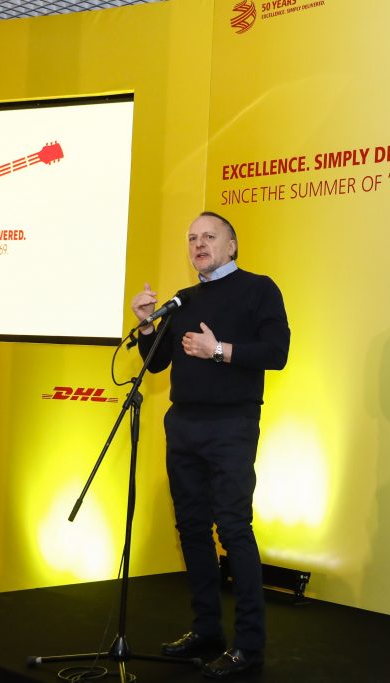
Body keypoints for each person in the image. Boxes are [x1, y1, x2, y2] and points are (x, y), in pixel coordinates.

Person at [130, 211, 289, 678]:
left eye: (209, 237)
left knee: (234, 529)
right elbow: (156, 364)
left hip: (231, 424)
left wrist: (218, 350)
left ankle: (249, 645)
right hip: (184, 425)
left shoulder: (259, 289)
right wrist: (146, 327)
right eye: (192, 238)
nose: (198, 245)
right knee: (191, 528)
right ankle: (206, 631)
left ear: (232, 245)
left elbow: (276, 353)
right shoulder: (182, 300)